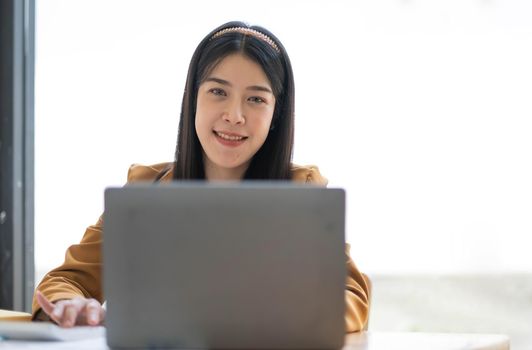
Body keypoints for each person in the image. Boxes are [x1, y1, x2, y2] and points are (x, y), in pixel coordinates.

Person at [32, 21, 370, 332]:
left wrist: (286, 314)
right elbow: (65, 280)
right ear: (193, 98)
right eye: (218, 92)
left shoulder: (302, 192)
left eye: (255, 99)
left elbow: (351, 296)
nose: (234, 116)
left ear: (275, 114)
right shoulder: (145, 190)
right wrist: (69, 305)